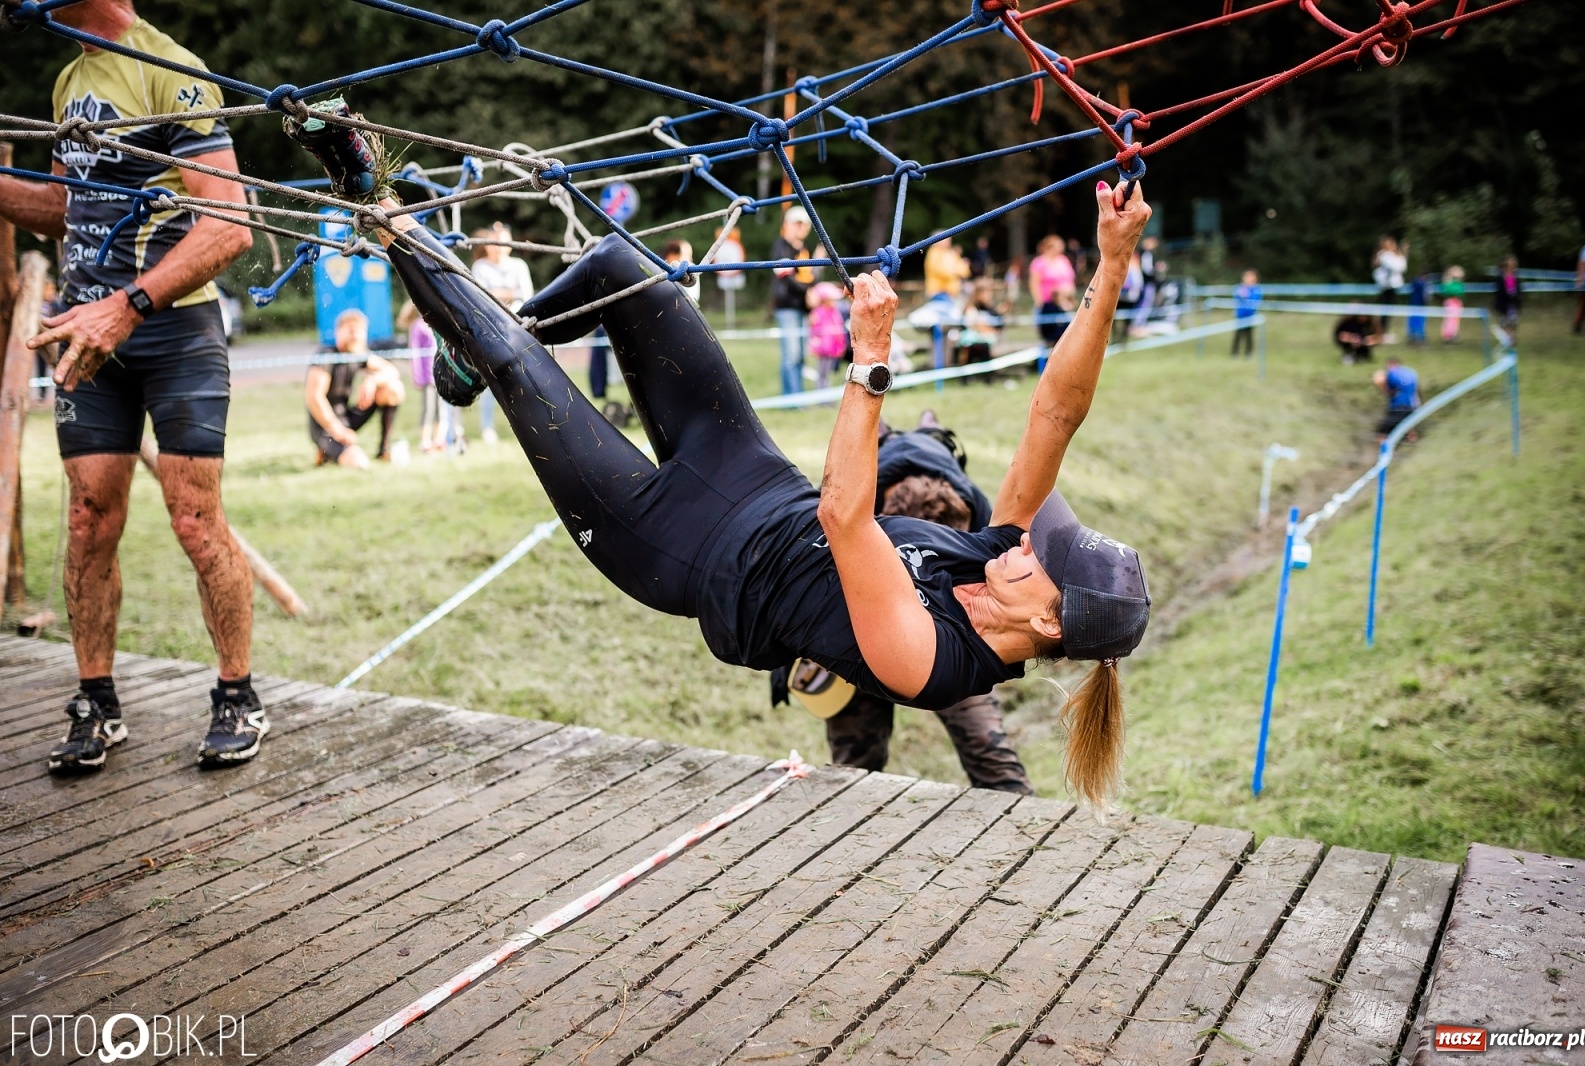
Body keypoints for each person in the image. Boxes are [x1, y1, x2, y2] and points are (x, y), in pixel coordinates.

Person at [298, 110, 1154, 804]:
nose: (1032, 541)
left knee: (519, 367)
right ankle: (468, 355)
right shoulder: (1004, 554)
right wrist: (1112, 266)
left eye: (1048, 559)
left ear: (1049, 624)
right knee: (622, 268)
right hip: (748, 473)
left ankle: (375, 198)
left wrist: (869, 360)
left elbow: (845, 517)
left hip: (679, 550)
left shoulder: (933, 662)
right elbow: (1055, 414)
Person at [0, 0, 264, 773]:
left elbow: (230, 224)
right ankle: (96, 702)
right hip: (90, 338)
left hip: (174, 333)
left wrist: (127, 307)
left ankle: (238, 694)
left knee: (194, 520)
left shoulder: (170, 69)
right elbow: (62, 208)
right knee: (87, 519)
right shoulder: (68, 81)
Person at [774, 414, 1031, 793]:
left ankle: (1019, 816)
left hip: (952, 633)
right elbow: (799, 581)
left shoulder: (980, 518)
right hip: (860, 622)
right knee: (854, 764)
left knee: (988, 748)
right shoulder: (846, 503)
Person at [306, 309, 405, 468]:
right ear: (338, 331)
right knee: (359, 463)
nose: (356, 335)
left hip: (347, 418)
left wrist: (372, 380)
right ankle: (327, 450)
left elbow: (392, 371)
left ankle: (383, 450)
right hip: (325, 425)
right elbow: (314, 397)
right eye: (351, 330)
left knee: (393, 389)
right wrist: (337, 429)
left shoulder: (357, 354)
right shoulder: (326, 355)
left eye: (360, 331)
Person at [468, 222, 533, 443]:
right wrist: (510, 293)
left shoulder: (519, 266)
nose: (498, 248)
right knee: (490, 378)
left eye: (502, 243)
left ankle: (526, 424)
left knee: (523, 377)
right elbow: (481, 298)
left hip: (518, 329)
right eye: (494, 243)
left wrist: (499, 294)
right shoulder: (480, 267)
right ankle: (487, 426)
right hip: (491, 330)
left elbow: (526, 297)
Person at [771, 205, 814, 394]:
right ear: (787, 224)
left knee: (801, 355)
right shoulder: (780, 247)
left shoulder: (803, 249)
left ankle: (799, 396)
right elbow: (786, 277)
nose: (801, 227)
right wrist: (808, 293)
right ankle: (792, 398)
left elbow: (808, 277)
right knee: (791, 355)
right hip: (786, 307)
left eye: (804, 224)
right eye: (797, 223)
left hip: (803, 307)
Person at [399, 301, 444, 454]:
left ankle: (438, 439)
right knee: (428, 408)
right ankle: (425, 441)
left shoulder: (436, 324)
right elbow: (415, 354)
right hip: (427, 377)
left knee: (440, 409)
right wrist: (417, 376)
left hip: (439, 375)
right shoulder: (417, 326)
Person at [956, 278, 1005, 375]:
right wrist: (988, 330)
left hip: (985, 339)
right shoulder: (970, 308)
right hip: (970, 340)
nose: (989, 295)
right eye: (987, 292)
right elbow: (976, 325)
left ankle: (987, 376)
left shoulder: (989, 308)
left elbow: (998, 325)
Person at [807, 281, 849, 386]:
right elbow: (814, 330)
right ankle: (822, 391)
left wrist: (841, 345)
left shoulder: (835, 313)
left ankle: (825, 390)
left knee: (827, 371)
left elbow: (839, 330)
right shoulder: (817, 313)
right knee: (822, 371)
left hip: (832, 348)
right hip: (822, 348)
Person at [1374, 354, 1422, 443]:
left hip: (1398, 406)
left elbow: (1391, 392)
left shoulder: (1392, 374)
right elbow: (1416, 389)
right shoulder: (1412, 372)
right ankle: (1413, 443)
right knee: (1408, 427)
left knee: (1383, 432)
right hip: (1413, 405)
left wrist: (1381, 385)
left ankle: (1381, 447)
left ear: (1391, 365)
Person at [1372, 236, 1407, 341]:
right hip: (1387, 286)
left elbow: (1402, 267)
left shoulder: (1391, 256)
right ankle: (1381, 333)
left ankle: (1382, 332)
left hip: (1392, 286)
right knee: (1385, 310)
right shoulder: (1384, 255)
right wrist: (1401, 256)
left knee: (1388, 310)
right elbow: (1398, 267)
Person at [712, 224, 746, 330]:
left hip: (732, 275)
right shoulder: (725, 248)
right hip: (725, 275)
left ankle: (733, 323)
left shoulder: (734, 247)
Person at [1232, 269, 1262, 357]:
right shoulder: (1240, 288)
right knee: (1238, 335)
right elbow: (1237, 296)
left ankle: (1248, 353)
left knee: (1249, 335)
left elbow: (1257, 300)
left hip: (1250, 316)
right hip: (1240, 315)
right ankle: (1234, 353)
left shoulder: (1256, 289)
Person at [662, 239, 701, 306]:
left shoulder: (691, 268)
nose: (691, 259)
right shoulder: (658, 272)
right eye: (686, 255)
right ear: (672, 255)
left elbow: (692, 297)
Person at [1493, 255, 1521, 342]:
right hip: (1504, 304)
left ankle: (1512, 336)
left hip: (1512, 304)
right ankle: (1508, 338)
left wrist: (1517, 298)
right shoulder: (1500, 278)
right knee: (1504, 322)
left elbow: (1518, 290)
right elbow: (1499, 292)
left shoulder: (1515, 277)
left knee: (1513, 322)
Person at [1438, 265, 1466, 344]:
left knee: (1455, 320)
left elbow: (1460, 292)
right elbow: (1449, 291)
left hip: (1456, 302)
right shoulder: (1449, 282)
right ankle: (1448, 336)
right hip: (1452, 302)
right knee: (1450, 320)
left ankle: (1453, 335)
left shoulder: (1457, 283)